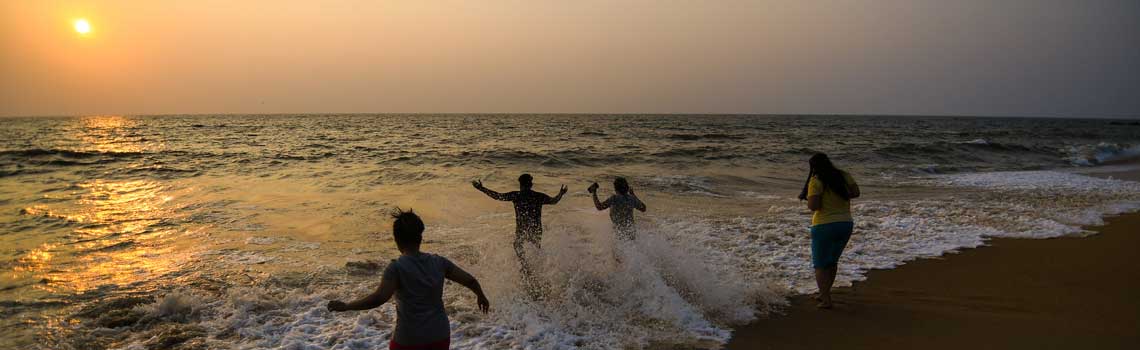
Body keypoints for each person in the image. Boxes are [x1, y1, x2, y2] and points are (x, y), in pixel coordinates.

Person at [327, 209, 490, 350]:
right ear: (420, 237)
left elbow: (378, 298)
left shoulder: (396, 268)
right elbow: (469, 280)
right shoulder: (439, 262)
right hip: (439, 335)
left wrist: (347, 306)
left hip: (409, 339)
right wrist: (480, 295)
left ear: (397, 240)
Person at [797, 153, 860, 309]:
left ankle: (826, 300)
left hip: (824, 225)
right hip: (845, 223)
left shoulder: (816, 181)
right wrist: (839, 195)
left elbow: (814, 206)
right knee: (831, 262)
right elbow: (856, 192)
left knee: (820, 264)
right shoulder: (844, 175)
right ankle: (824, 293)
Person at [471, 174, 567, 265]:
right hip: (536, 229)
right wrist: (561, 193)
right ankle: (536, 271)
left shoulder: (516, 195)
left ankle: (524, 266)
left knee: (518, 247)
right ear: (531, 184)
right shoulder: (539, 196)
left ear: (520, 184)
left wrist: (482, 188)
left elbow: (497, 196)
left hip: (522, 228)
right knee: (535, 250)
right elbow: (554, 201)